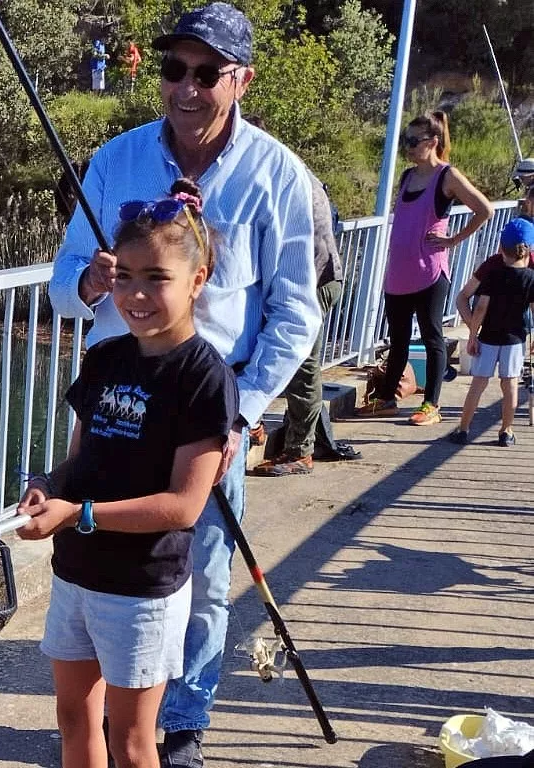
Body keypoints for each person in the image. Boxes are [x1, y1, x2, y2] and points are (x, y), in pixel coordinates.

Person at [47, 4, 321, 765]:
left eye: (208, 73)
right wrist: (92, 283)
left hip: (208, 398)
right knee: (96, 548)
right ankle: (107, 715)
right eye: (175, 69)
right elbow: (61, 287)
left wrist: (243, 413)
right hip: (114, 397)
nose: (188, 88)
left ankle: (183, 724)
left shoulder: (278, 174)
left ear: (242, 80)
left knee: (196, 574)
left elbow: (297, 312)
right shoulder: (115, 160)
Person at [18, 179, 239, 768]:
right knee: (73, 722)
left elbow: (183, 506)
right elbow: (79, 462)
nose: (136, 295)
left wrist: (79, 515)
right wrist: (50, 487)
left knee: (133, 741)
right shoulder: (104, 357)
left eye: (157, 278)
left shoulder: (205, 377)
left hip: (142, 589)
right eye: (125, 277)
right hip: (77, 574)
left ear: (198, 280)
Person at [238, 115, 361, 475]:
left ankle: (299, 453)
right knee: (263, 347)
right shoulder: (283, 166)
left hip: (314, 279)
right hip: (311, 276)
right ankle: (257, 426)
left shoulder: (279, 173)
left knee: (301, 365)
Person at [354, 111, 494, 424]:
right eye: (406, 140)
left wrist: (453, 239)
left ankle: (431, 404)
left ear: (432, 142)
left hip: (430, 272)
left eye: (413, 141)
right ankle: (387, 398)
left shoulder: (447, 176)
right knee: (398, 338)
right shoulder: (407, 176)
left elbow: (484, 209)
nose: (408, 146)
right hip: (399, 273)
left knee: (432, 336)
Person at [449, 218, 534, 446]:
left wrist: (473, 335)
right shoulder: (531, 278)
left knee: (478, 384)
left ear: (501, 246)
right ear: (528, 249)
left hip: (488, 337)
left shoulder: (493, 273)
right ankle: (506, 431)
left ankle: (463, 429)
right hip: (515, 340)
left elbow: (480, 307)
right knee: (510, 385)